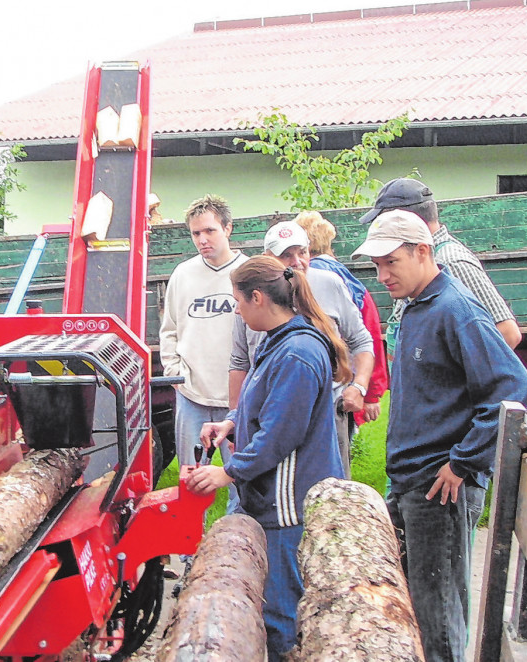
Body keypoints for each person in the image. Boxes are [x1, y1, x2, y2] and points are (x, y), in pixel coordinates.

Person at [351, 210, 527, 662]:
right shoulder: (416, 307)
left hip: (440, 486)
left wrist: (465, 462)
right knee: (417, 603)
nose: (383, 274)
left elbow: (513, 387)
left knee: (439, 613)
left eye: (391, 262)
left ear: (423, 251)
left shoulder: (456, 309)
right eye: (377, 265)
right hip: (414, 482)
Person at [185, 255, 348, 662]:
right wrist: (231, 423)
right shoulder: (280, 342)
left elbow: (280, 435)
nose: (237, 312)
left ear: (258, 298)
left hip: (288, 507)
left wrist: (229, 472)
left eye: (238, 303)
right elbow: (268, 407)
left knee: (281, 617)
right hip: (273, 500)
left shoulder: (297, 353)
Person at [228, 221, 373, 472]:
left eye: (302, 252)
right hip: (268, 414)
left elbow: (362, 340)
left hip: (326, 412)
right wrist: (236, 421)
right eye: (286, 255)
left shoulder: (330, 285)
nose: (297, 261)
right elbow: (240, 363)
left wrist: (359, 387)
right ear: (268, 258)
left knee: (326, 494)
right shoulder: (250, 296)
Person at [160, 194, 248, 514]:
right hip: (192, 396)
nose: (202, 240)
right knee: (191, 481)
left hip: (236, 400)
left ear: (228, 228)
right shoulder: (183, 274)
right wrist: (174, 372)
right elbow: (168, 329)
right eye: (196, 233)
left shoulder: (247, 272)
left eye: (209, 231)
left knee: (242, 479)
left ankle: (237, 547)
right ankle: (189, 554)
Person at [360, 178, 523, 349]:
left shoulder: (450, 262)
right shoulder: (412, 266)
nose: (382, 276)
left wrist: (450, 373)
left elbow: (508, 333)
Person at [293, 211, 389, 426]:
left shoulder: (322, 279)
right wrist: (371, 389)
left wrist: (368, 390)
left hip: (331, 388)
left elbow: (363, 335)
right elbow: (370, 327)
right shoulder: (346, 275)